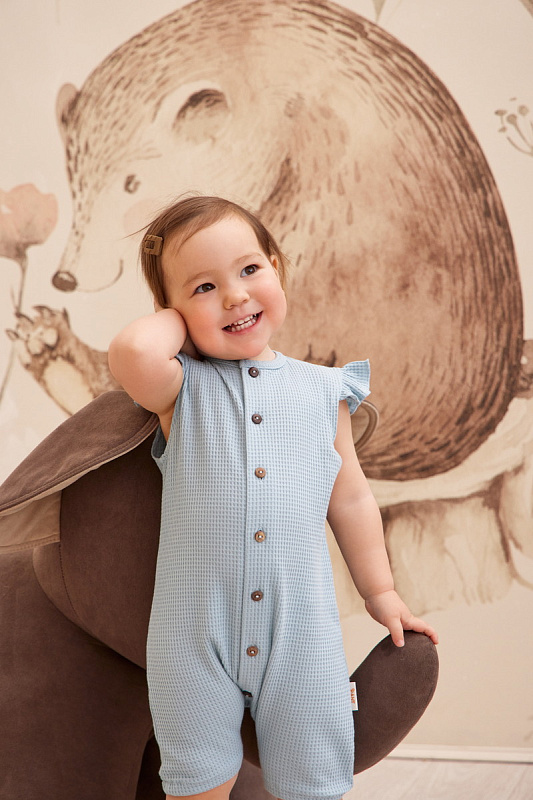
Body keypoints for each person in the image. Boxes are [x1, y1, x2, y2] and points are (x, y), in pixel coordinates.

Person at [108, 195, 438, 800]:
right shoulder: (181, 390)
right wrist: (177, 315)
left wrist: (381, 591)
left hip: (301, 630)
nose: (235, 296)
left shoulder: (324, 391)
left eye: (249, 269)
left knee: (312, 779)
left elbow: (351, 499)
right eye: (205, 286)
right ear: (172, 312)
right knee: (198, 782)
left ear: (277, 268)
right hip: (193, 633)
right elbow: (133, 352)